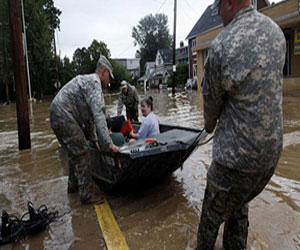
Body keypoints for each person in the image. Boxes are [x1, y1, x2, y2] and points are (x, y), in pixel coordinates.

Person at [196, 0, 286, 249]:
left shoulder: (222, 44)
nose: (219, 16)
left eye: (219, 9)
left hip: (234, 161)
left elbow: (211, 109)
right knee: (237, 202)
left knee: (211, 215)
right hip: (269, 158)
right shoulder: (277, 33)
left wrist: (210, 125)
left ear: (230, 3)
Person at [49, 55, 120, 205]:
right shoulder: (95, 84)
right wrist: (108, 144)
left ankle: (72, 186)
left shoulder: (87, 82)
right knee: (82, 150)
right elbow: (99, 116)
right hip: (64, 114)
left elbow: (89, 120)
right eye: (109, 76)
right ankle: (86, 195)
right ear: (104, 72)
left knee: (73, 152)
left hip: (55, 113)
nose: (109, 80)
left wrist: (94, 140)